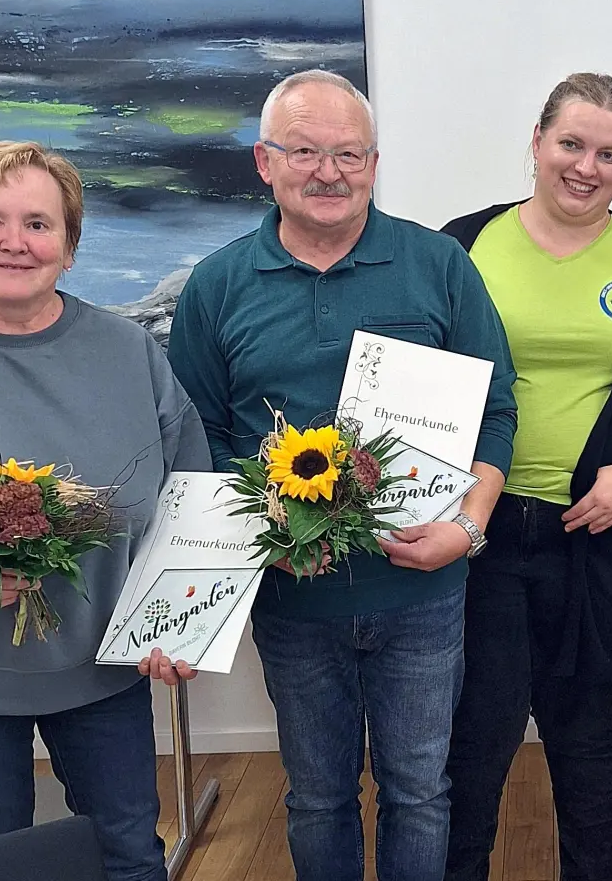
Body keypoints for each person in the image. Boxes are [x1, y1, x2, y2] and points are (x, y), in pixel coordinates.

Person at [166, 70, 517, 881]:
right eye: (305, 152)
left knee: (421, 792)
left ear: (374, 161)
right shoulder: (217, 285)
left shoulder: (438, 266)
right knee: (317, 796)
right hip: (294, 601)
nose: (329, 172)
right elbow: (197, 440)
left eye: (349, 154)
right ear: (264, 161)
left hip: (424, 596)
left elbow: (494, 410)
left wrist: (468, 529)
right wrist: (269, 532)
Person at [0, 141, 211, 881]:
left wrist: (180, 625)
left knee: (130, 856)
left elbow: (191, 498)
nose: (14, 242)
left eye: (39, 224)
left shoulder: (129, 352)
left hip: (103, 672)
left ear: (70, 247)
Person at [437, 73, 612, 881]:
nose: (586, 167)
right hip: (482, 539)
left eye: (608, 154)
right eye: (571, 144)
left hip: (601, 543)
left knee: (592, 746)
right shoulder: (462, 244)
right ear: (538, 143)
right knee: (473, 745)